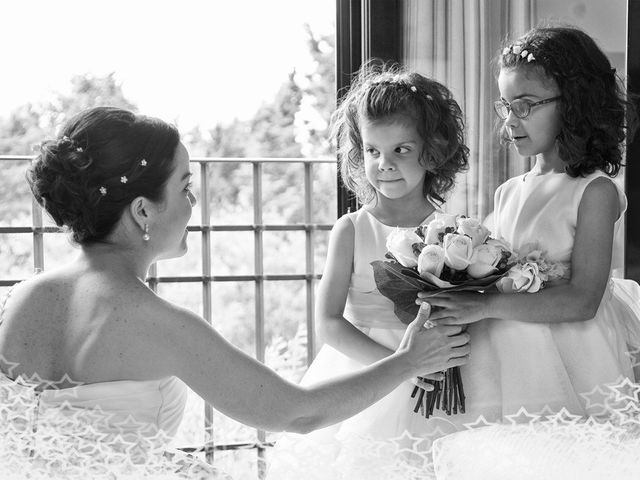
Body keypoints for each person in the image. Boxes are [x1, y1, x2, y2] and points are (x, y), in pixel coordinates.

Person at [0, 106, 470, 478]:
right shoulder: (158, 323)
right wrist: (409, 361)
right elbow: (295, 413)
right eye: (185, 186)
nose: (193, 202)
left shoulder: (23, 300)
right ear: (143, 210)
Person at [422, 26, 640, 426]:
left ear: (573, 104)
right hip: (505, 357)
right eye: (505, 105)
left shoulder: (593, 190)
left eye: (525, 105)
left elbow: (582, 301)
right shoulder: (507, 192)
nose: (510, 120)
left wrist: (485, 304)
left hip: (573, 359)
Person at [267, 62, 471, 478]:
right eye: (373, 151)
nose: (385, 164)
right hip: (365, 374)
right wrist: (398, 366)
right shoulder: (353, 229)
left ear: (431, 151)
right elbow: (328, 322)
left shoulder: (453, 233)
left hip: (436, 377)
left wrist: (433, 359)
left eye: (402, 150)